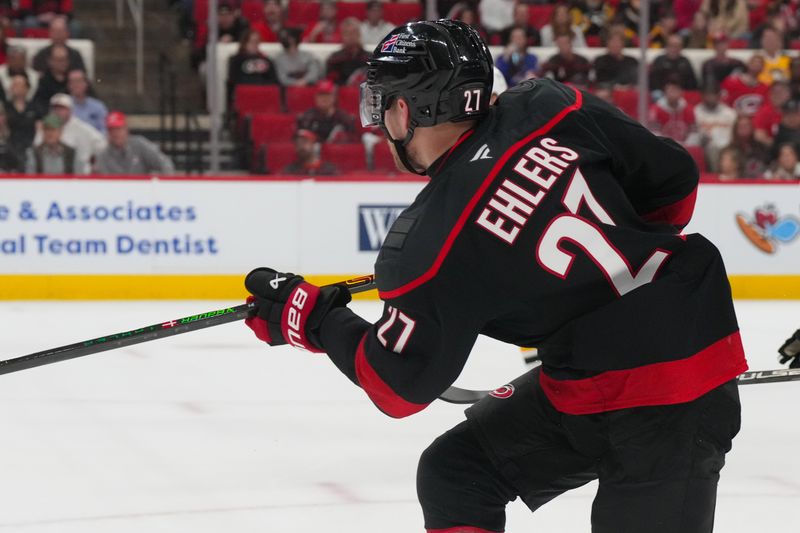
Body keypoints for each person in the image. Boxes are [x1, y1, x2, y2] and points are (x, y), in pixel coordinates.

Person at [244, 20, 746, 533]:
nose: (378, 119)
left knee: (459, 474)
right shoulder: (551, 104)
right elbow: (674, 182)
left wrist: (316, 320)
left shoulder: (429, 244)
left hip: (667, 390)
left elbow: (398, 386)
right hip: (628, 361)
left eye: (382, 102)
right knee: (457, 473)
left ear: (405, 110)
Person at [40, 92, 106, 172]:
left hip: (81, 175)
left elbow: (102, 146)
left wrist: (94, 164)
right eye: (55, 108)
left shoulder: (83, 128)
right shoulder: (45, 128)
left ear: (70, 110)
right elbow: (37, 149)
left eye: (62, 109)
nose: (57, 112)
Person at [94, 111, 174, 175]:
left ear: (126, 129)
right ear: (107, 133)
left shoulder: (139, 145)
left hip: (143, 192)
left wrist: (164, 188)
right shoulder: (103, 156)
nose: (115, 133)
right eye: (111, 130)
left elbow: (165, 163)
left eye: (118, 129)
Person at [225, 29, 279, 106]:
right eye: (252, 41)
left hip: (263, 97)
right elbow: (233, 81)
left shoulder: (267, 60)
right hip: (245, 97)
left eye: (257, 42)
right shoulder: (236, 60)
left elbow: (274, 81)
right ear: (245, 43)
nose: (255, 44)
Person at [694, 83, 737, 170]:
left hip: (727, 148)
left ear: (719, 95)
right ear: (702, 95)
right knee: (712, 149)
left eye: (713, 94)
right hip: (705, 148)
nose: (710, 97)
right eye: (707, 94)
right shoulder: (696, 112)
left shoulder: (730, 113)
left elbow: (736, 135)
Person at [5, 74, 44, 158]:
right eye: (14, 85)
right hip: (10, 147)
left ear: (27, 88)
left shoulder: (35, 107)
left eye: (20, 85)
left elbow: (40, 128)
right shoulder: (5, 108)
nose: (16, 88)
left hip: (31, 146)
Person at [648, 79, 698, 144]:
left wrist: (686, 146)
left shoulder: (689, 109)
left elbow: (693, 133)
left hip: (684, 147)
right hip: (664, 147)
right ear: (665, 92)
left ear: (681, 92)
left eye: (676, 90)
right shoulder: (656, 110)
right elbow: (654, 133)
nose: (673, 93)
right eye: (671, 90)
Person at [325, 18, 369, 85]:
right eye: (347, 33)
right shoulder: (334, 59)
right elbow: (331, 83)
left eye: (354, 32)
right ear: (342, 36)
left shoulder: (370, 58)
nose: (351, 36)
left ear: (359, 34)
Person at [66, 69, 108, 134]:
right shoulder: (63, 106)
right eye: (72, 82)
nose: (75, 85)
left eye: (78, 81)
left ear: (86, 83)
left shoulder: (98, 107)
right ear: (68, 85)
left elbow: (105, 129)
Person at [32, 44, 70, 108]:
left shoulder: (73, 79)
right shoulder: (43, 81)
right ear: (50, 61)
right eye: (59, 60)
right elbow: (38, 103)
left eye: (65, 60)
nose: (63, 63)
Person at [0, 106, 21, 172]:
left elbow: (18, 161)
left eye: (0, 115)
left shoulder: (13, 136)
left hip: (9, 176)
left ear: (5, 117)